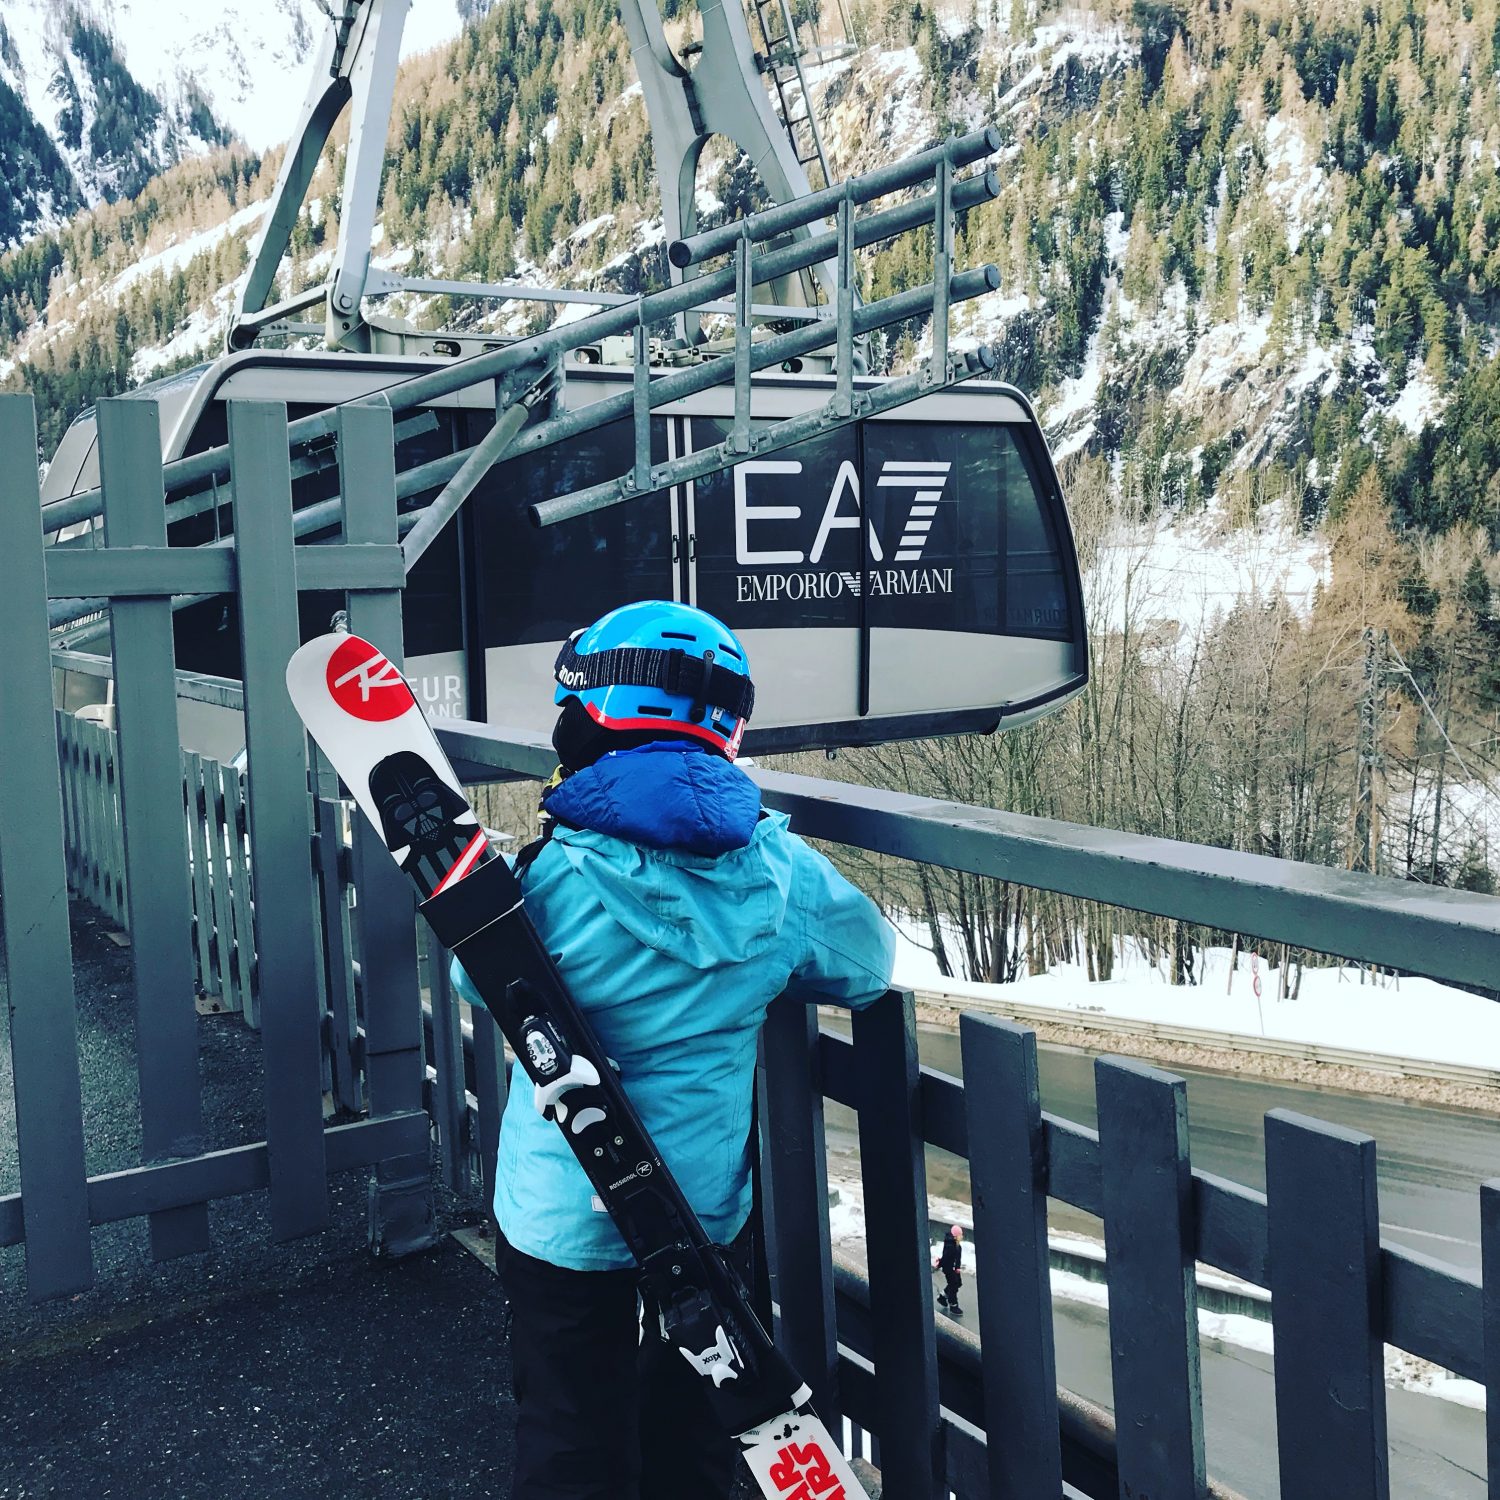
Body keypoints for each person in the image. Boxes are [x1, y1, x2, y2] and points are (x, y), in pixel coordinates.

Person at [450, 600, 895, 1500]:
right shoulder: (781, 876)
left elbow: (481, 984)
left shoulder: (548, 882)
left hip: (561, 1215)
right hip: (699, 1219)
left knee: (570, 1430)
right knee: (698, 1427)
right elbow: (867, 965)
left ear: (594, 720)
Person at [936, 1223, 964, 1315]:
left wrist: (958, 1267)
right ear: (955, 1236)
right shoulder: (950, 1247)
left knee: (957, 1283)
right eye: (960, 1235)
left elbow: (958, 1258)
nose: (962, 1237)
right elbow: (945, 1258)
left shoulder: (957, 1245)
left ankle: (942, 1296)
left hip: (955, 1269)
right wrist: (940, 1264)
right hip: (949, 1269)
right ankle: (953, 1305)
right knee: (953, 1286)